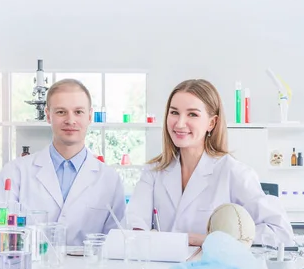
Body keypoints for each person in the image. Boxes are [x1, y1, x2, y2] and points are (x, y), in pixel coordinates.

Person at [0, 79, 126, 249]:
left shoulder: (109, 179)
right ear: (48, 115)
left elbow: (119, 243)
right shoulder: (16, 172)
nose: (70, 120)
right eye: (61, 112)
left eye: (78, 112)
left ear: (89, 116)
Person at [124, 79, 294, 246]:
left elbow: (280, 232)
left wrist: (212, 240)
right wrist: (138, 234)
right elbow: (133, 224)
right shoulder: (153, 171)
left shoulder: (233, 172)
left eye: (192, 114)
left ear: (211, 123)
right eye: (174, 112)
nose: (180, 123)